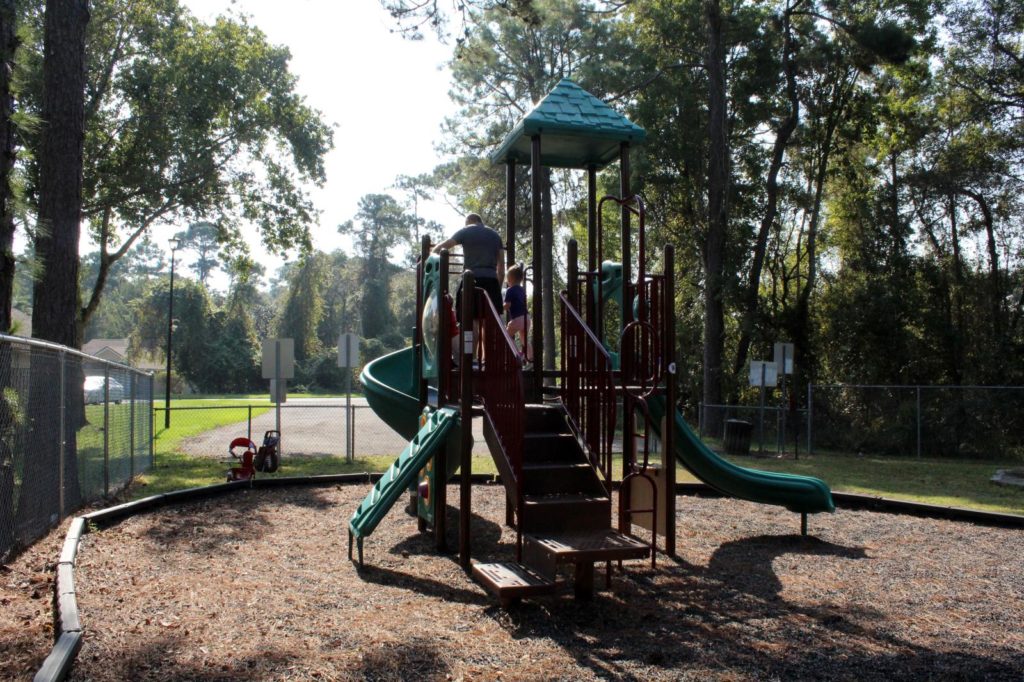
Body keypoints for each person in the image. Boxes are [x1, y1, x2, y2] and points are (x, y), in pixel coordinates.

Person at [433, 213, 505, 355]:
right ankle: (487, 360)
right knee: (488, 323)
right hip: (491, 282)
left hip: (470, 281)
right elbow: (501, 267)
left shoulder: (466, 230)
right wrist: (498, 285)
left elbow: (444, 246)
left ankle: (469, 361)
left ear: (469, 221)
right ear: (481, 221)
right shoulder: (495, 235)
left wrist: (431, 254)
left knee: (470, 324)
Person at [504, 264, 532, 363]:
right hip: (527, 318)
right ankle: (530, 357)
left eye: (507, 278)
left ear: (510, 279)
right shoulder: (522, 290)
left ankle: (517, 354)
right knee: (524, 339)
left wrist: (499, 308)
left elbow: (507, 305)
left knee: (506, 336)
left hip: (518, 319)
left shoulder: (510, 290)